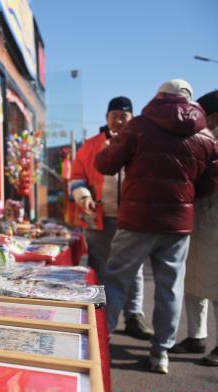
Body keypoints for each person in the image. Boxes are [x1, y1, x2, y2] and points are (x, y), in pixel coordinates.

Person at [95, 79, 218, 374]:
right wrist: (183, 199)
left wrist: (108, 150)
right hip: (177, 225)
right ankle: (160, 353)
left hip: (136, 220)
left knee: (116, 281)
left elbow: (106, 165)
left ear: (160, 96)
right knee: (170, 289)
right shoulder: (205, 136)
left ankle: (101, 343)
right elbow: (210, 185)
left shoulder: (139, 126)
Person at [70, 96, 150, 339]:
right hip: (99, 217)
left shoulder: (142, 144)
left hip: (132, 218)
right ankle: (99, 317)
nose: (118, 120)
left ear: (132, 118)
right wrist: (83, 196)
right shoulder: (91, 145)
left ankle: (134, 316)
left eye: (123, 116)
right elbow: (77, 177)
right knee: (99, 268)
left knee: (135, 269)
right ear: (106, 118)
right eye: (114, 115)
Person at [172, 90, 218, 366]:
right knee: (194, 283)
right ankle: (196, 337)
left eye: (200, 113)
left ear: (213, 117)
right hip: (199, 224)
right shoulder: (207, 142)